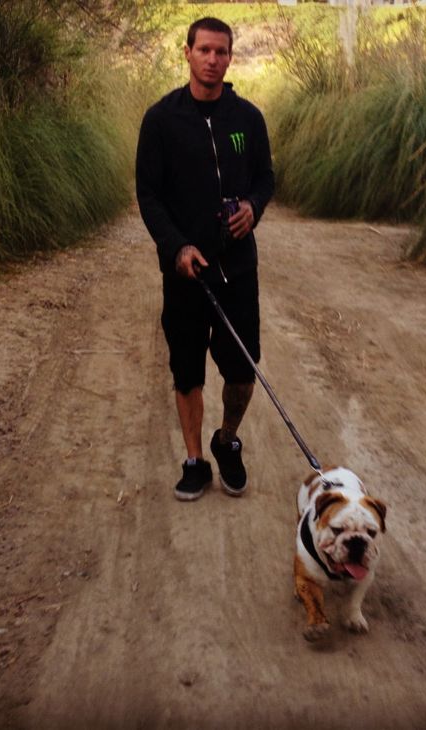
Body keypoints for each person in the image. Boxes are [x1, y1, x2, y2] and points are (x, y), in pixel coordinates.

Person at [136, 16, 274, 502]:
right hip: (186, 273)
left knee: (242, 370)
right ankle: (194, 460)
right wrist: (176, 247)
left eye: (221, 51)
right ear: (188, 53)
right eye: (204, 50)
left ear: (230, 57)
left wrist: (253, 207)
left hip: (237, 269)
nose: (213, 59)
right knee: (187, 370)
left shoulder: (248, 119)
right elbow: (148, 194)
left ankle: (226, 439)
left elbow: (265, 178)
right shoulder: (161, 119)